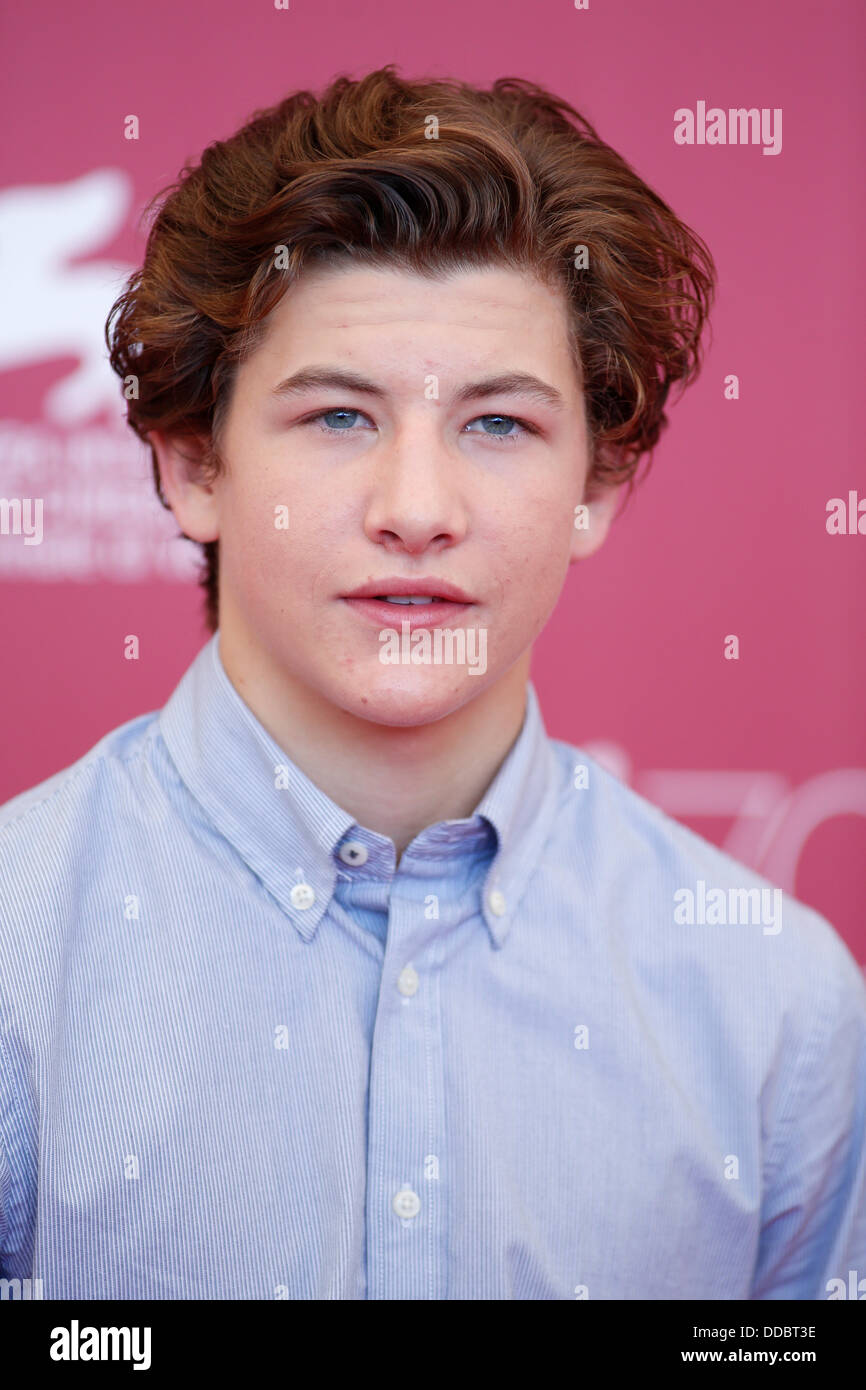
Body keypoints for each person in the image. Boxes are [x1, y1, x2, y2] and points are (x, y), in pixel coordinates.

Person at [1, 65, 863, 1301]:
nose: (417, 511)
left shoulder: (779, 1013)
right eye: (339, 416)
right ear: (193, 465)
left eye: (498, 424)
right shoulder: (15, 965)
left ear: (596, 488)